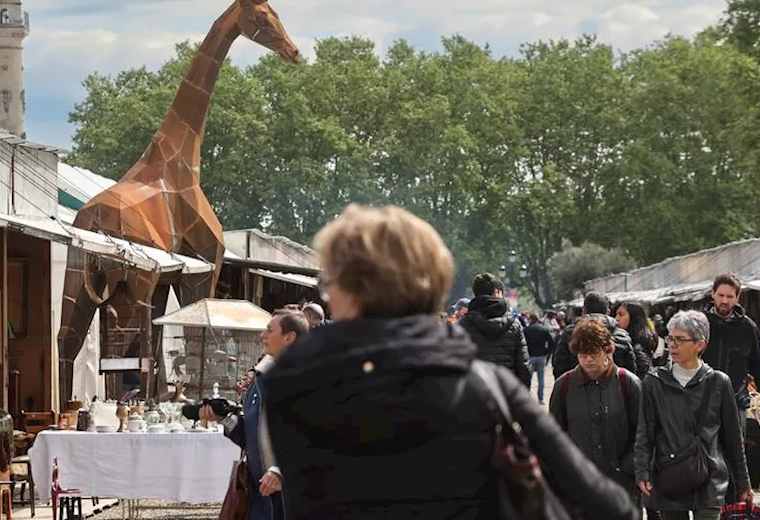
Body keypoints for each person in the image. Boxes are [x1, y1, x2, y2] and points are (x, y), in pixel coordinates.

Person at [261, 203, 636, 520]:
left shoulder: (290, 383)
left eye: (330, 281)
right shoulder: (486, 385)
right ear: (431, 287)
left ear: (352, 289)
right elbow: (609, 503)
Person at [635, 311, 751, 520]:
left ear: (700, 345)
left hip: (710, 478)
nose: (672, 345)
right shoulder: (654, 382)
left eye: (680, 339)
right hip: (669, 475)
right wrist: (642, 471)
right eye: (670, 338)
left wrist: (743, 483)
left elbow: (733, 438)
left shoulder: (719, 382)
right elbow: (645, 432)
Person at [201, 308, 310, 520]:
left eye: (270, 330)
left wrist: (280, 469)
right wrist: (223, 418)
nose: (263, 335)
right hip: (259, 497)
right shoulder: (260, 379)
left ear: (289, 337)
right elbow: (248, 434)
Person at [702, 273, 760, 496]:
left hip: (735, 403)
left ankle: (732, 507)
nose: (724, 301)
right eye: (720, 295)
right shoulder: (699, 323)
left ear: (738, 298)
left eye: (730, 296)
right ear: (712, 294)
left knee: (733, 458)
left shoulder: (748, 328)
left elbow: (759, 367)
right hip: (700, 400)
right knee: (701, 456)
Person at [550, 317, 643, 509]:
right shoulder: (564, 386)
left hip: (622, 484)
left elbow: (643, 434)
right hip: (579, 483)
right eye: (583, 354)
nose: (589, 360)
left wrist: (626, 469)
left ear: (607, 350)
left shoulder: (628, 384)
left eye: (594, 353)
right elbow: (555, 435)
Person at [457, 273, 531, 387]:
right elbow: (523, 367)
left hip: (473, 395)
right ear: (497, 292)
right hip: (507, 394)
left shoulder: (462, 326)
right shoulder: (514, 325)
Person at [552, 292, 637, 378]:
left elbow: (559, 367)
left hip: (577, 388)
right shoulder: (621, 335)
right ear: (608, 312)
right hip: (614, 389)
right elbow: (630, 369)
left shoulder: (570, 333)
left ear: (583, 310)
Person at [615, 301, 658, 378]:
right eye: (616, 314)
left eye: (621, 315)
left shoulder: (638, 344)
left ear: (633, 317)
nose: (616, 318)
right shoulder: (623, 339)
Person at [524, 312, 558, 402]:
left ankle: (527, 398)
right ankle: (540, 398)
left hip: (530, 356)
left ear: (530, 319)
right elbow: (551, 343)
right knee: (541, 378)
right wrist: (546, 352)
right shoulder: (543, 329)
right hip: (541, 356)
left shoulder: (526, 330)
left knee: (528, 378)